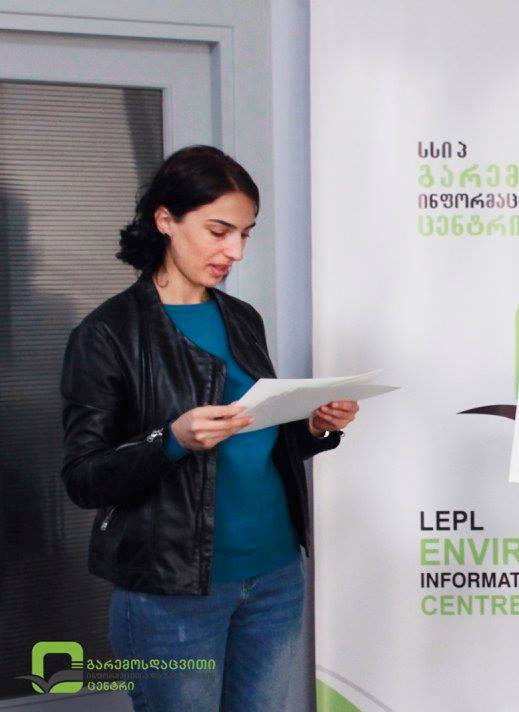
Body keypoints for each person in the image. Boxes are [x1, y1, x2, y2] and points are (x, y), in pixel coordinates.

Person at [60, 145, 358, 711]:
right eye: (219, 231)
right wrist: (171, 440)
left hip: (276, 576)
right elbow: (83, 477)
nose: (235, 251)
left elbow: (255, 439)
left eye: (245, 234)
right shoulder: (106, 334)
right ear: (165, 219)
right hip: (172, 593)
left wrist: (314, 427)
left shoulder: (242, 318)